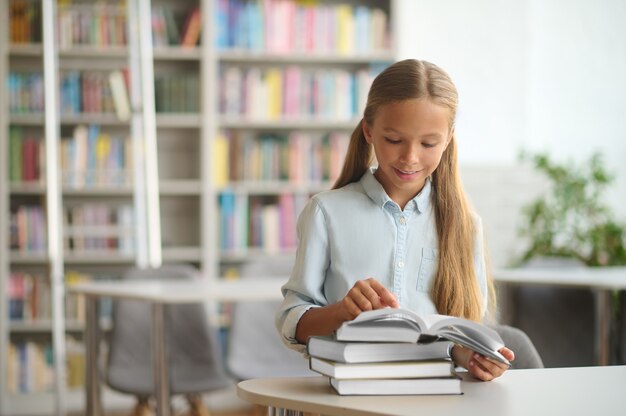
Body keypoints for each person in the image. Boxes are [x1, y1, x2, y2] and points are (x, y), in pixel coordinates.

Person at [275, 58, 515, 381]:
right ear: (369, 130)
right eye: (394, 140)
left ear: (448, 140)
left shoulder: (466, 225)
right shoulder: (326, 213)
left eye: (428, 143)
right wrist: (342, 311)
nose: (410, 157)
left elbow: (460, 337)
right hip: (349, 398)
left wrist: (475, 355)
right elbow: (293, 322)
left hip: (437, 398)